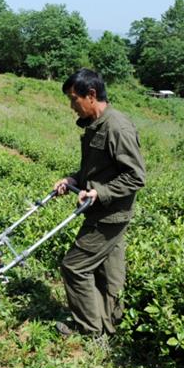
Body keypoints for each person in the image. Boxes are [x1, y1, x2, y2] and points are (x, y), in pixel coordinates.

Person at [53, 69, 145, 336]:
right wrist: (73, 180)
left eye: (73, 99)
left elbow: (135, 176)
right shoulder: (96, 125)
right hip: (106, 211)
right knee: (109, 273)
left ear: (91, 95)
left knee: (74, 267)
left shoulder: (117, 127)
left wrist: (99, 193)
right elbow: (97, 170)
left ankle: (89, 328)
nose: (72, 106)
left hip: (109, 215)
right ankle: (110, 324)